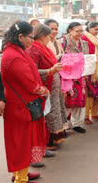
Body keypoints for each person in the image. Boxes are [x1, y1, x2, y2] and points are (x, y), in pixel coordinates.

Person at [1, 21, 49, 183]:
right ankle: (20, 178)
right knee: (20, 143)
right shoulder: (13, 56)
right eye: (30, 37)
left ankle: (21, 172)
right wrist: (43, 90)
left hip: (21, 105)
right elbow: (29, 83)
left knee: (22, 142)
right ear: (20, 36)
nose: (32, 41)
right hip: (20, 107)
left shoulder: (15, 50)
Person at [26, 24, 66, 156]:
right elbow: (31, 71)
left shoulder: (43, 48)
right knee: (46, 116)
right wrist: (50, 71)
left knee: (53, 113)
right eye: (49, 36)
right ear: (43, 36)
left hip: (52, 87)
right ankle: (44, 143)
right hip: (43, 88)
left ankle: (51, 140)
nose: (50, 38)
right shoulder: (33, 49)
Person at [63, 22, 89, 133]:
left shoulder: (84, 43)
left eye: (81, 31)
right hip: (67, 77)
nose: (79, 33)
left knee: (80, 101)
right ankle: (63, 126)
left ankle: (77, 124)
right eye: (77, 31)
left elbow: (87, 59)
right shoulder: (63, 42)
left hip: (81, 77)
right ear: (70, 30)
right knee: (67, 101)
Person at [81, 21, 98, 124]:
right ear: (89, 28)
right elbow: (83, 54)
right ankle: (86, 116)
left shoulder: (97, 38)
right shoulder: (84, 38)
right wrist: (85, 71)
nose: (97, 31)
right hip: (90, 69)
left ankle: (95, 114)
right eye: (95, 29)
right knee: (89, 93)